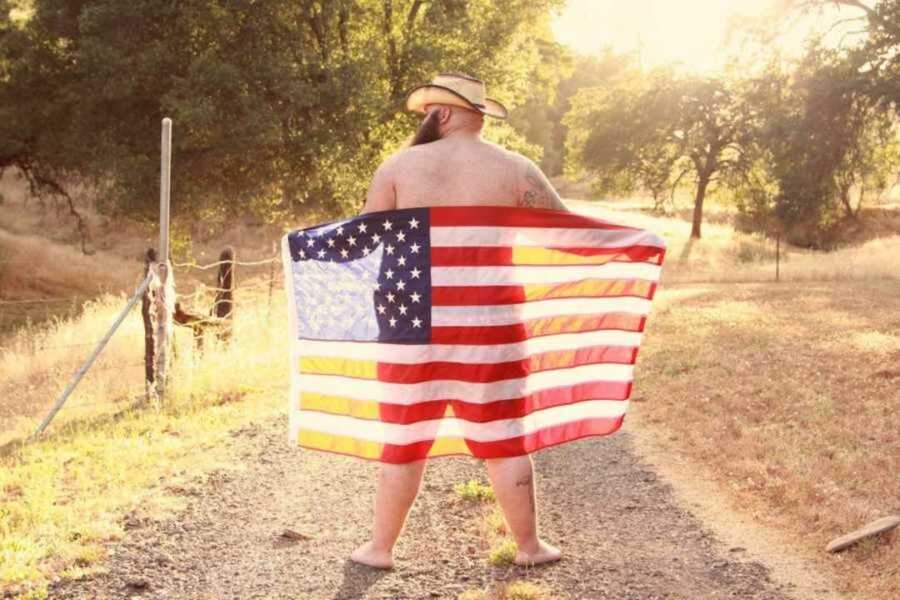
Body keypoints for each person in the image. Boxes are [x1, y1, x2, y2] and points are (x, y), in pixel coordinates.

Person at [350, 72, 566, 570]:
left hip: (411, 324)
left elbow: (362, 240)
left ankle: (379, 549)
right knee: (503, 437)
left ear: (441, 114)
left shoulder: (399, 166)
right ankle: (530, 548)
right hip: (490, 324)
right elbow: (565, 231)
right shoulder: (516, 169)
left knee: (404, 438)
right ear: (479, 116)